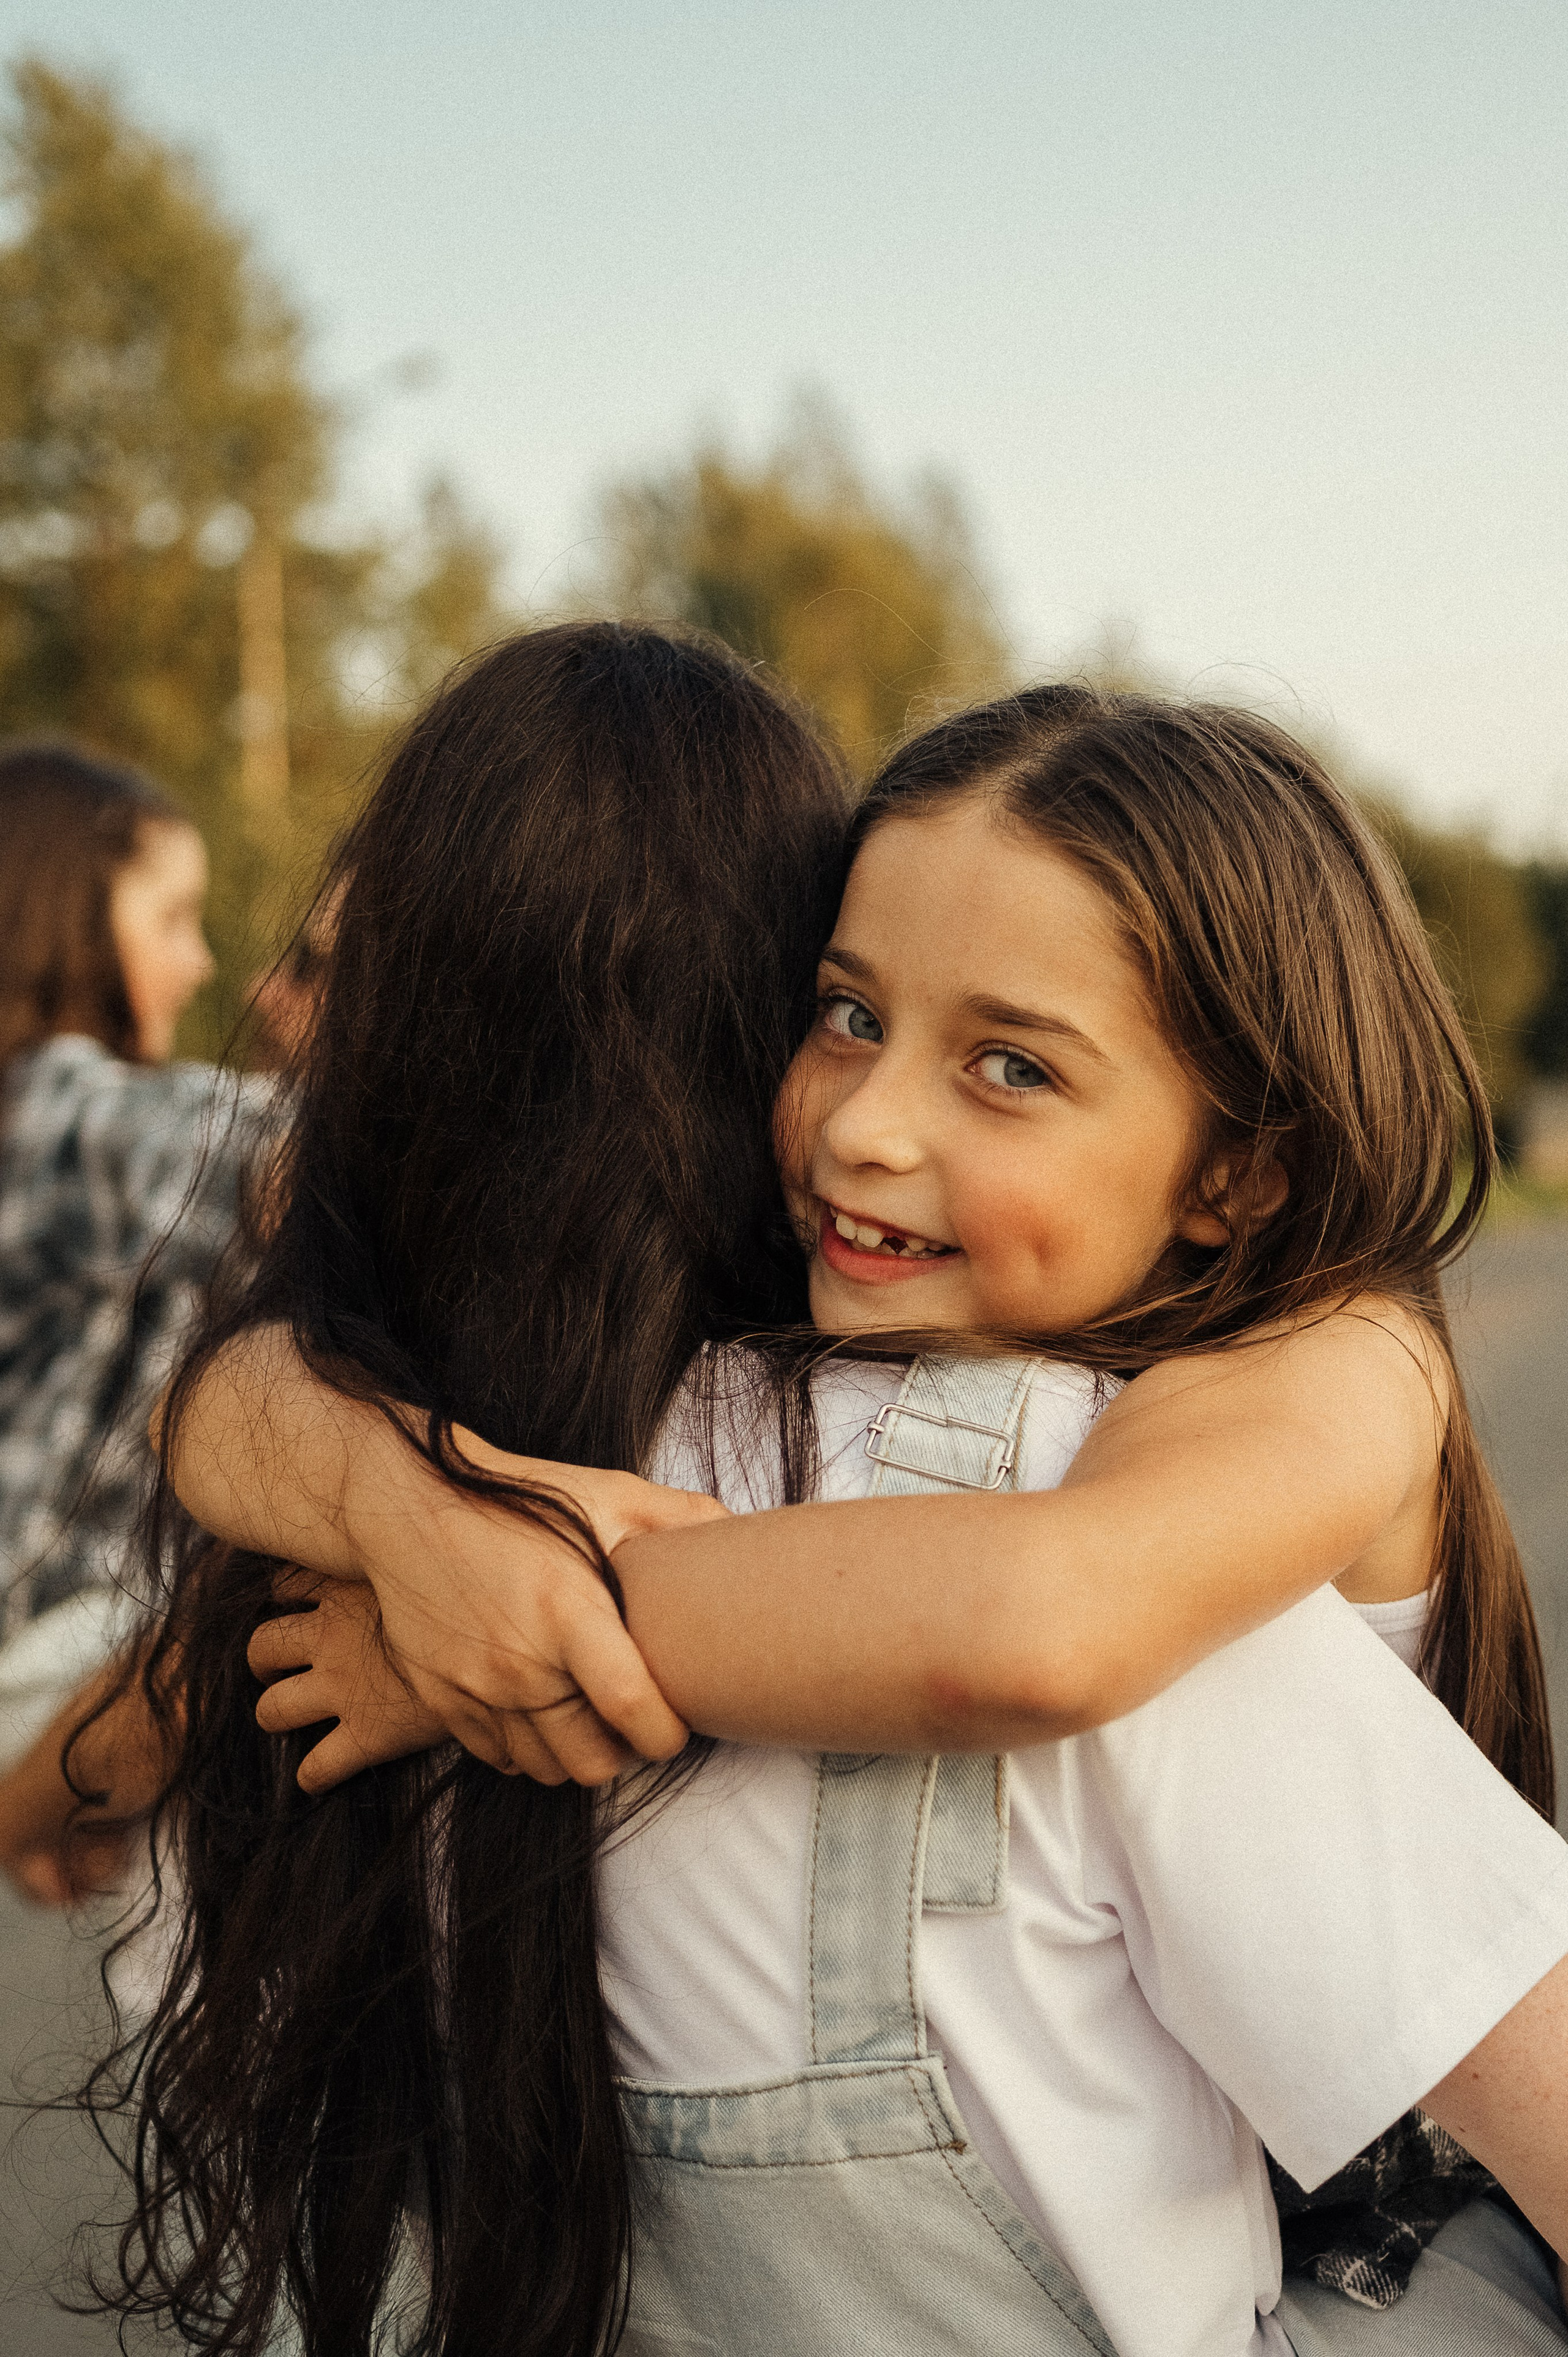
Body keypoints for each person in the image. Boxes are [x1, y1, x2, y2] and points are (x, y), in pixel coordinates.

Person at [156, 674, 1568, 2355]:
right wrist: (419, 1517)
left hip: (1391, 2231)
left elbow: (1029, 1621)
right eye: (843, 1014)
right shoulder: (706, 1404)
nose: (864, 1125)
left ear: (1237, 1174)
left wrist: (499, 1607)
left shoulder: (1330, 1364)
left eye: (1010, 1067)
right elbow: (239, 1386)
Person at [0, 743, 271, 1904]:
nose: (202, 961)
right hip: (33, 1646)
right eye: (171, 917)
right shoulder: (44, 1111)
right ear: (68, 915)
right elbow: (267, 1161)